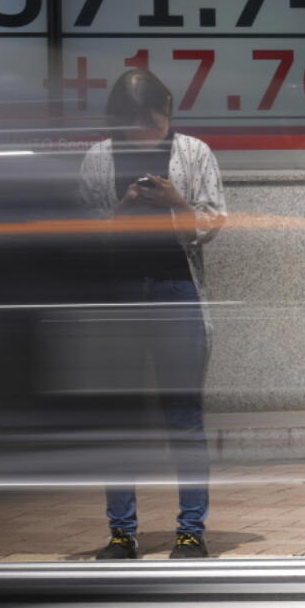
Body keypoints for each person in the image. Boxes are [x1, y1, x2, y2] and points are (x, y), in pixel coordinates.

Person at [79, 67, 227, 560]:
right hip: (117, 294)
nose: (147, 129)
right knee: (118, 418)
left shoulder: (193, 152)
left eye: (155, 118)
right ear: (117, 120)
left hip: (176, 288)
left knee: (183, 416)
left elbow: (211, 223)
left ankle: (191, 531)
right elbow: (82, 233)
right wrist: (123, 208)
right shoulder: (98, 157)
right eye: (136, 120)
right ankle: (121, 533)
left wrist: (175, 203)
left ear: (168, 113)